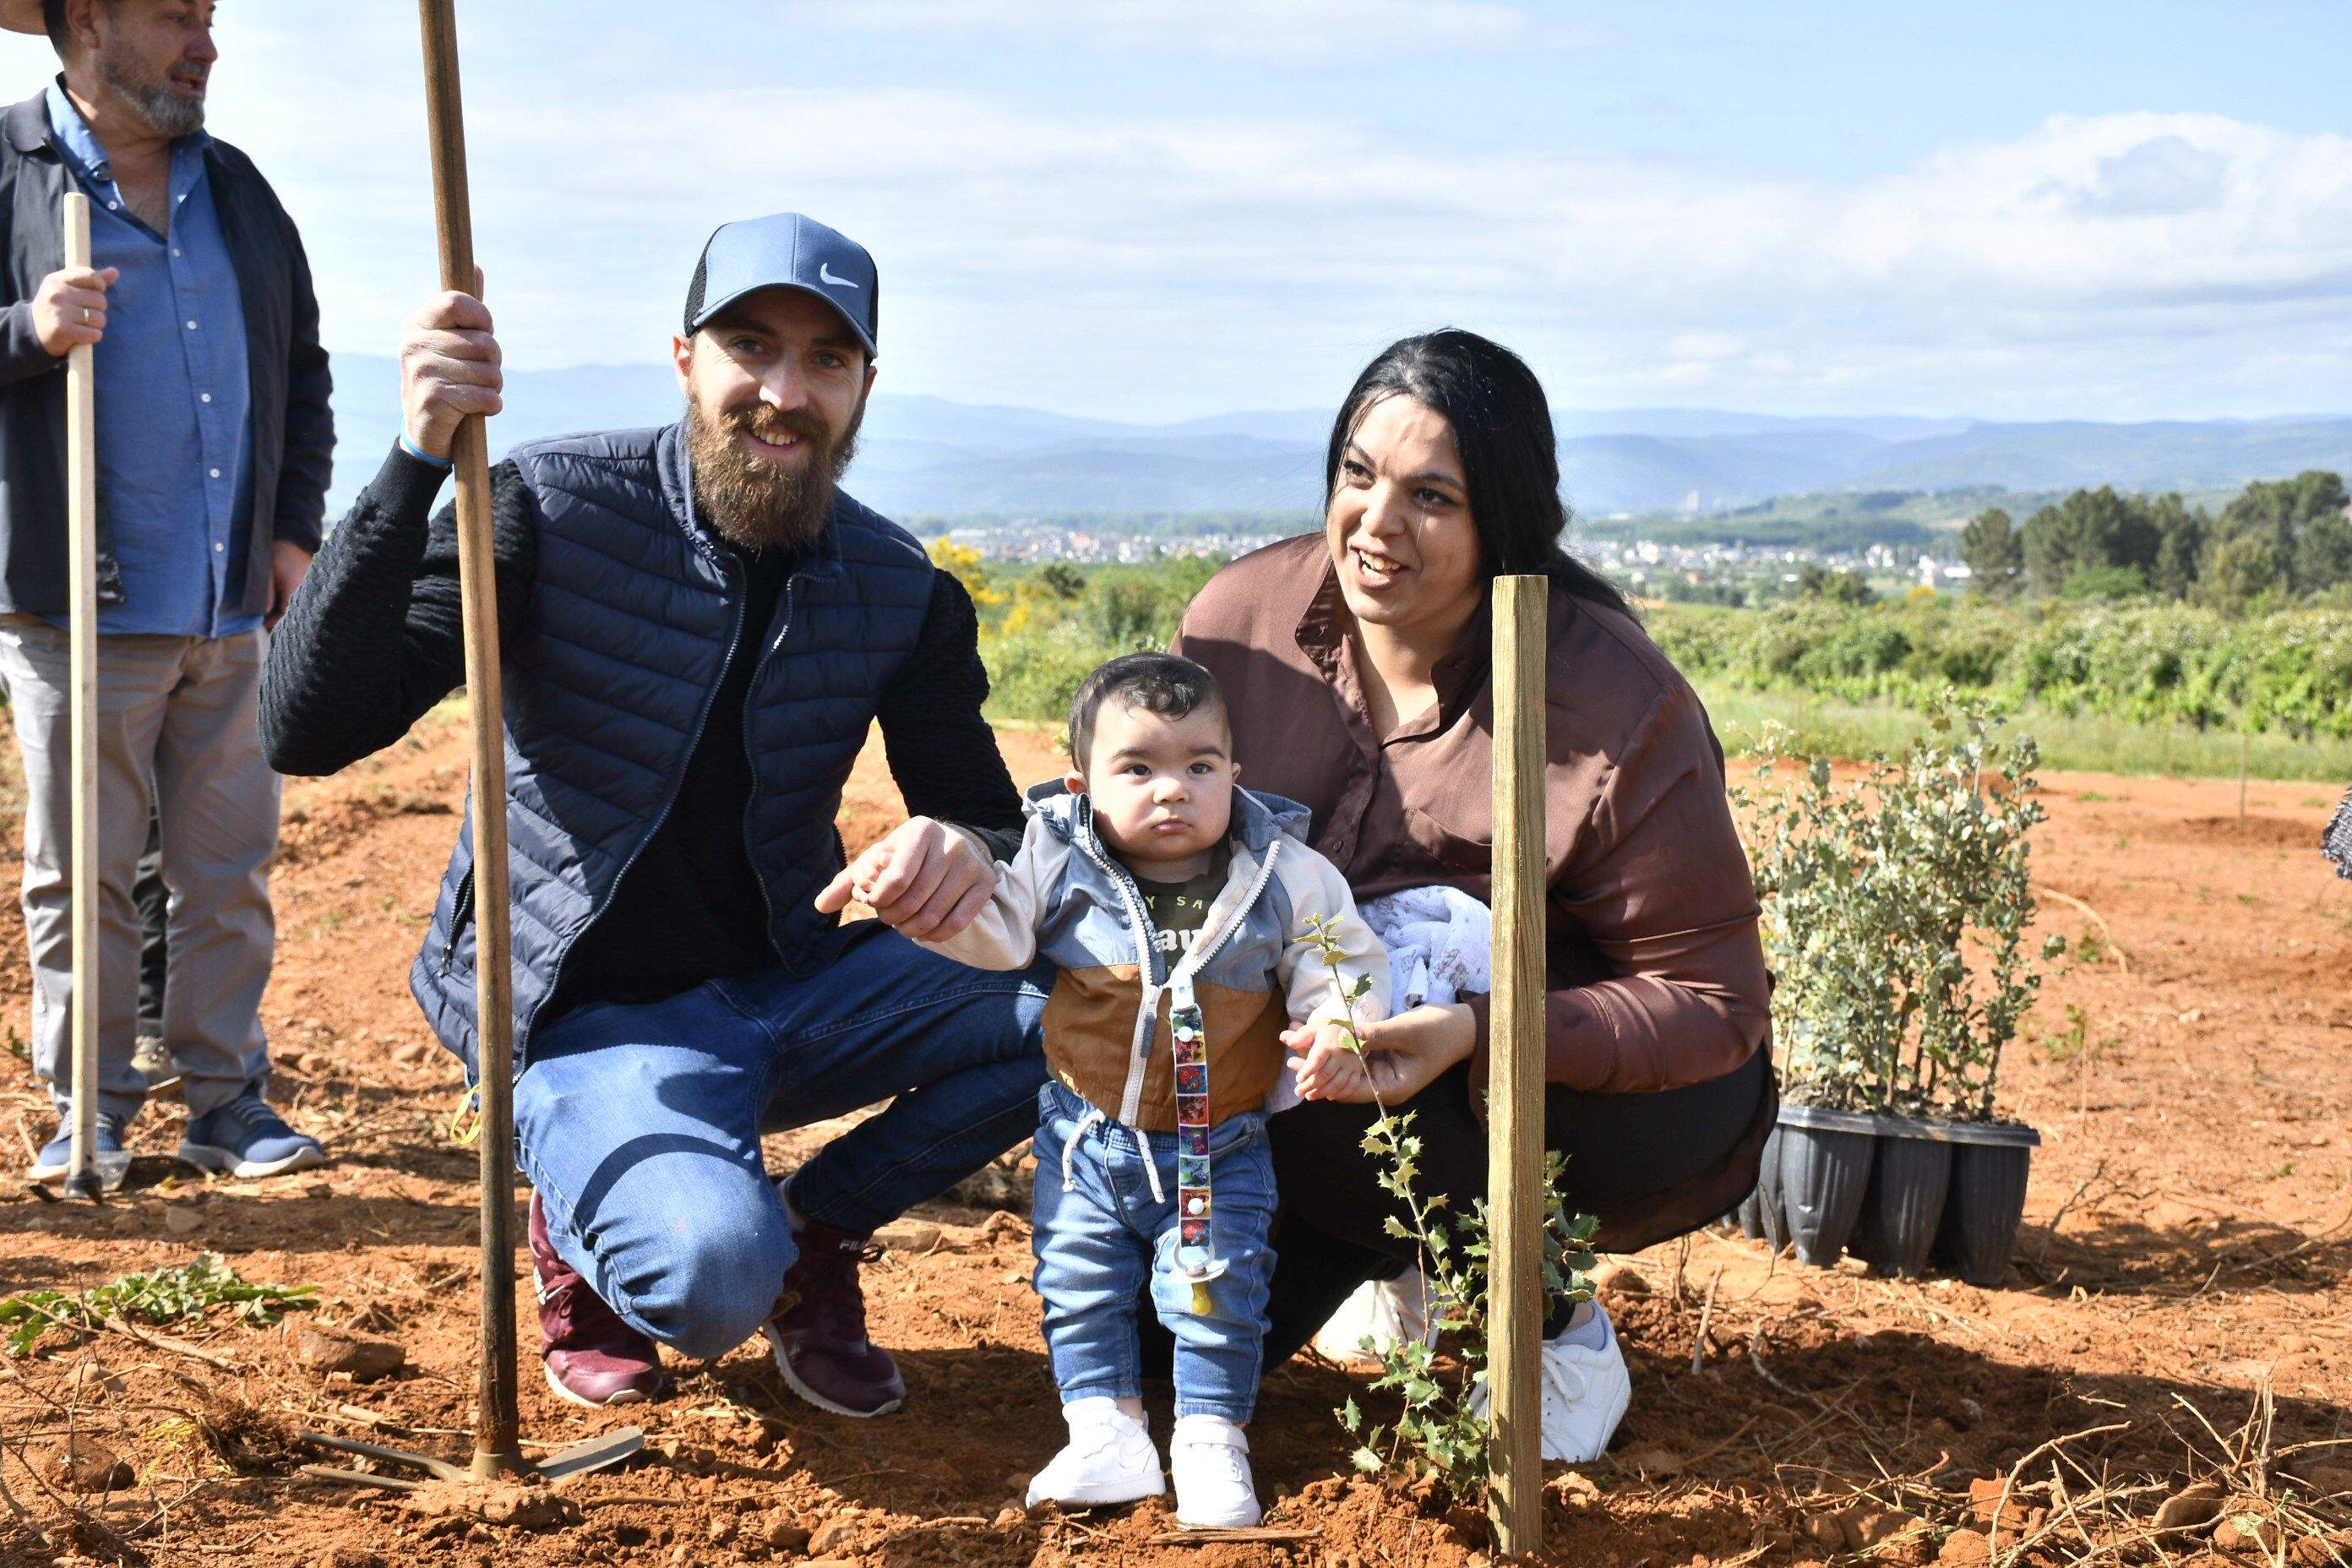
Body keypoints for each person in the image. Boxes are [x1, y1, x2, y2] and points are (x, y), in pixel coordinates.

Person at [261, 211, 1052, 1417]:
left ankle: (817, 1229)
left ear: (864, 388)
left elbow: (985, 816)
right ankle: (589, 1221)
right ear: (685, 357)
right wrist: (419, 454)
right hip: (587, 1017)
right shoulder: (545, 508)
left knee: (1096, 1001)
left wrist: (963, 841)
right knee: (707, 1281)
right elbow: (306, 727)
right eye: (751, 346)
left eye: (826, 360)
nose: (784, 392)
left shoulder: (897, 586)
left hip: (790, 986)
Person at [1171, 328, 1776, 1462]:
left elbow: (1713, 1003)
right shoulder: (1240, 624)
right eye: (1358, 475)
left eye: (1432, 496)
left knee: (1371, 1085)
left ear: (1502, 513)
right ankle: (1387, 1248)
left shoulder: (1609, 699)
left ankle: (1550, 1321)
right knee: (1171, 1368)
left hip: (1593, 1078)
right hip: (1326, 1067)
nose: (1378, 524)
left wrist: (1484, 1032)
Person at [912, 651, 1387, 1529]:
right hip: (1083, 1138)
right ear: (1082, 781)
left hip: (1220, 1145)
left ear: (1234, 772)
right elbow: (1002, 927)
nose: (1173, 789)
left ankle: (1211, 1439)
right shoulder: (1061, 857)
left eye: (1199, 765)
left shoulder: (1280, 870)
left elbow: (1339, 955)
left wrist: (1334, 1027)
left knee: (1216, 1288)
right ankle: (1106, 1430)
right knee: (1078, 1281)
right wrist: (936, 909)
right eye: (1138, 767)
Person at [0, 0, 331, 1186]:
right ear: (88, 21)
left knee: (226, 868)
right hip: (76, 604)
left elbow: (304, 367)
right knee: (82, 871)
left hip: (227, 603)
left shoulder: (236, 188)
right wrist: (25, 331)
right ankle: (86, 1112)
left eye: (208, 15)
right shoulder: (9, 169)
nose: (206, 41)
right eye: (174, 15)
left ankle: (226, 1103)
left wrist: (293, 533)